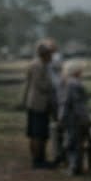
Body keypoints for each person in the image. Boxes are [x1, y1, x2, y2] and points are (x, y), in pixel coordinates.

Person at [22, 40, 56, 169]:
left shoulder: (39, 64)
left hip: (36, 102)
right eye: (50, 54)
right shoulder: (38, 66)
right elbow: (41, 84)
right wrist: (54, 86)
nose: (52, 57)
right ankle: (37, 160)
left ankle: (40, 158)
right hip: (39, 103)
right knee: (38, 133)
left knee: (38, 133)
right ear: (45, 54)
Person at [57, 59, 90, 175]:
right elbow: (75, 104)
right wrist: (84, 118)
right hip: (74, 117)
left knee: (73, 141)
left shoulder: (68, 83)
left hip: (71, 117)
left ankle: (74, 166)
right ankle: (75, 166)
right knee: (74, 142)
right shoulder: (74, 84)